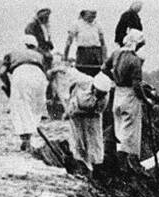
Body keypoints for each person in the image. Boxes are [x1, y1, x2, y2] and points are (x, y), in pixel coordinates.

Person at [103, 29, 145, 174]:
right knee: (129, 131)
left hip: (118, 93)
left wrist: (114, 78)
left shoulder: (116, 54)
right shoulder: (135, 60)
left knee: (119, 127)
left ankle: (119, 162)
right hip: (129, 95)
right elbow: (136, 85)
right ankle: (122, 164)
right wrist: (145, 99)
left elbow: (104, 68)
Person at [60, 67, 110, 177]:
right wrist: (68, 101)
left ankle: (95, 167)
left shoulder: (104, 98)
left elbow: (97, 111)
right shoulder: (84, 81)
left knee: (94, 141)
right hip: (76, 112)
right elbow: (70, 74)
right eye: (99, 92)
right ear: (94, 86)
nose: (100, 95)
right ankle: (79, 164)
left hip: (92, 117)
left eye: (103, 93)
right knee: (78, 140)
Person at [4, 37, 48, 151]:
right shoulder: (40, 55)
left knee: (20, 107)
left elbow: (1, 73)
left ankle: (25, 140)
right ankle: (28, 138)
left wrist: (8, 87)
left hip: (20, 74)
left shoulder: (12, 53)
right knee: (35, 107)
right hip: (39, 76)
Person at [65, 9, 107, 77]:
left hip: (96, 54)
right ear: (83, 15)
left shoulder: (98, 24)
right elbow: (69, 42)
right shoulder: (76, 24)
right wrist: (65, 57)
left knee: (97, 76)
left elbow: (103, 43)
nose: (93, 17)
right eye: (91, 15)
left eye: (94, 15)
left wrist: (105, 59)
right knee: (82, 75)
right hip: (83, 54)